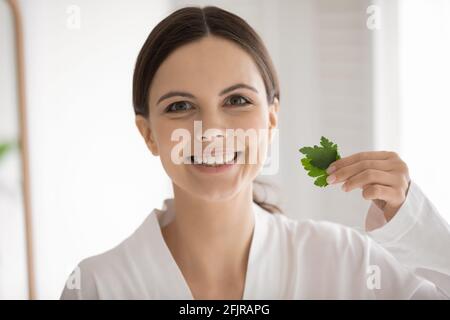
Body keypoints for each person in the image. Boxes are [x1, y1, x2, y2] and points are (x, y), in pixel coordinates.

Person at [61, 6, 450, 299]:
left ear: (271, 117)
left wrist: (410, 221)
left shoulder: (344, 263)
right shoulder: (98, 285)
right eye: (180, 106)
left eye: (236, 100)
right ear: (148, 134)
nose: (211, 132)